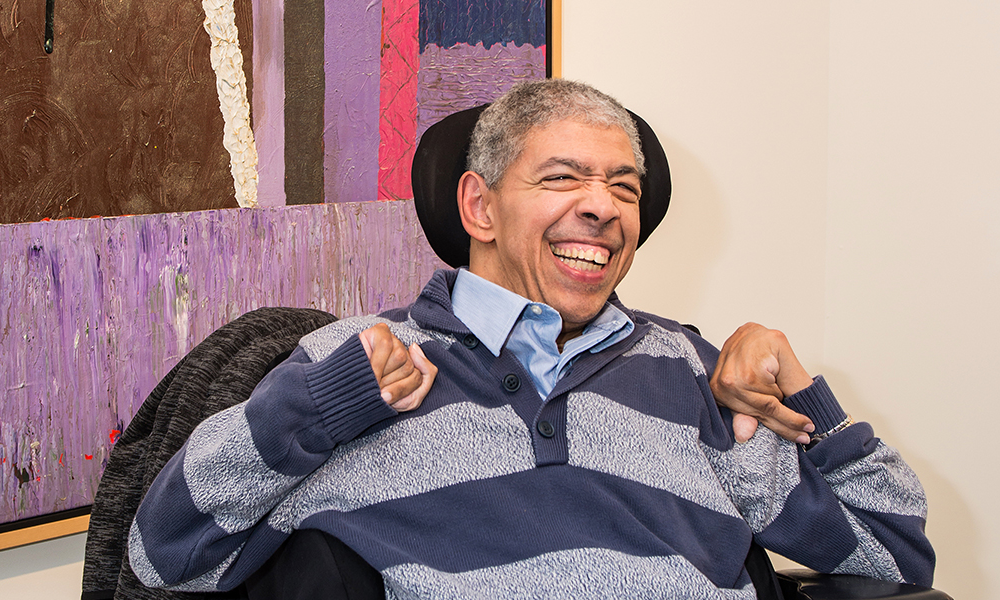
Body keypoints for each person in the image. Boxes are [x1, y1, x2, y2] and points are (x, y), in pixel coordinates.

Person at [127, 79, 935, 598]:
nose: (604, 207)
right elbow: (162, 554)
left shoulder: (693, 370)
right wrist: (317, 408)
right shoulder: (357, 367)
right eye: (563, 178)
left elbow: (894, 557)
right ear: (478, 208)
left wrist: (803, 399)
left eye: (624, 187)